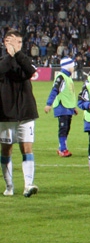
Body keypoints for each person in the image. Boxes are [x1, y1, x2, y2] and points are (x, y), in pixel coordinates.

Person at [0, 30, 39, 197]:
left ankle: (28, 185)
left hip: (26, 112)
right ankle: (9, 186)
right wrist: (9, 56)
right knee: (6, 149)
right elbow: (1, 70)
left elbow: (31, 71)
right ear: (5, 42)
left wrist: (18, 54)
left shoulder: (24, 61)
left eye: (20, 42)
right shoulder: (2, 61)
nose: (18, 45)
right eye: (14, 42)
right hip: (6, 113)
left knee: (27, 147)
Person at [44, 56, 78, 157]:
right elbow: (55, 90)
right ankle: (63, 149)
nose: (74, 68)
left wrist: (73, 108)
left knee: (66, 129)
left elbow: (69, 94)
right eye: (72, 66)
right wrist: (49, 104)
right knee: (63, 128)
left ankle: (62, 148)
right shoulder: (61, 77)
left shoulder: (67, 78)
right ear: (68, 67)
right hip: (62, 106)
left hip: (68, 107)